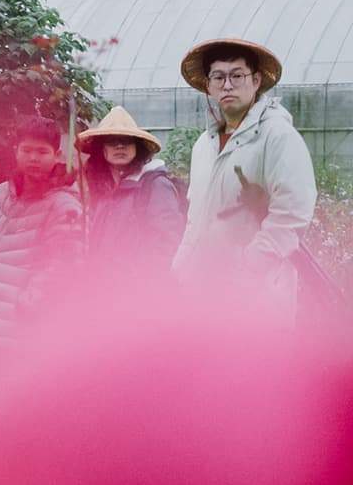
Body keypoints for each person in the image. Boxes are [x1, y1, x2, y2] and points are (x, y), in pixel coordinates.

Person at [171, 38, 316, 315]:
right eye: (218, 77)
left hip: (257, 296)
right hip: (205, 293)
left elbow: (292, 214)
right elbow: (197, 216)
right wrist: (180, 267)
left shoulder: (277, 136)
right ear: (208, 86)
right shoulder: (205, 145)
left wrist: (247, 267)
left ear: (256, 80)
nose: (227, 85)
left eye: (237, 76)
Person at [0, 117, 85, 387]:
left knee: (17, 414)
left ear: (57, 155)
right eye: (27, 150)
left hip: (27, 336)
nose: (33, 158)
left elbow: (67, 264)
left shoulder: (64, 205)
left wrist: (29, 302)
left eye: (42, 151)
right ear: (16, 151)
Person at [77, 106, 185, 271]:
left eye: (127, 140)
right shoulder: (102, 188)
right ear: (101, 148)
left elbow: (166, 242)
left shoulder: (155, 185)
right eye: (112, 140)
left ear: (138, 147)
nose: (120, 146)